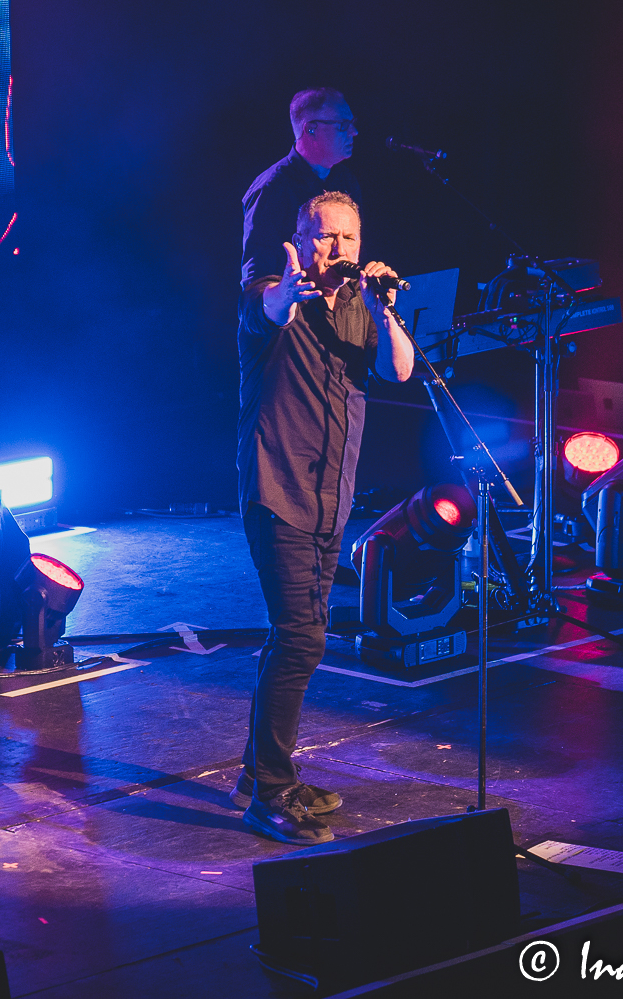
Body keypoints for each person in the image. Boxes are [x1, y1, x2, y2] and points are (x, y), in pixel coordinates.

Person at [232, 191, 413, 844]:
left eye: (349, 239)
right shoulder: (270, 292)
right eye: (325, 236)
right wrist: (290, 289)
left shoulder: (361, 311)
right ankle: (272, 794)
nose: (338, 249)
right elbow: (270, 310)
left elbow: (399, 370)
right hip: (277, 492)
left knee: (293, 638)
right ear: (302, 238)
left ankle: (260, 775)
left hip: (331, 498)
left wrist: (386, 311)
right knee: (302, 638)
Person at [240, 88, 362, 288]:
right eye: (342, 125)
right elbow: (256, 280)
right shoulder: (271, 189)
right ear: (311, 129)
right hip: (292, 315)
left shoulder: (346, 181)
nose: (354, 132)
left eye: (352, 123)